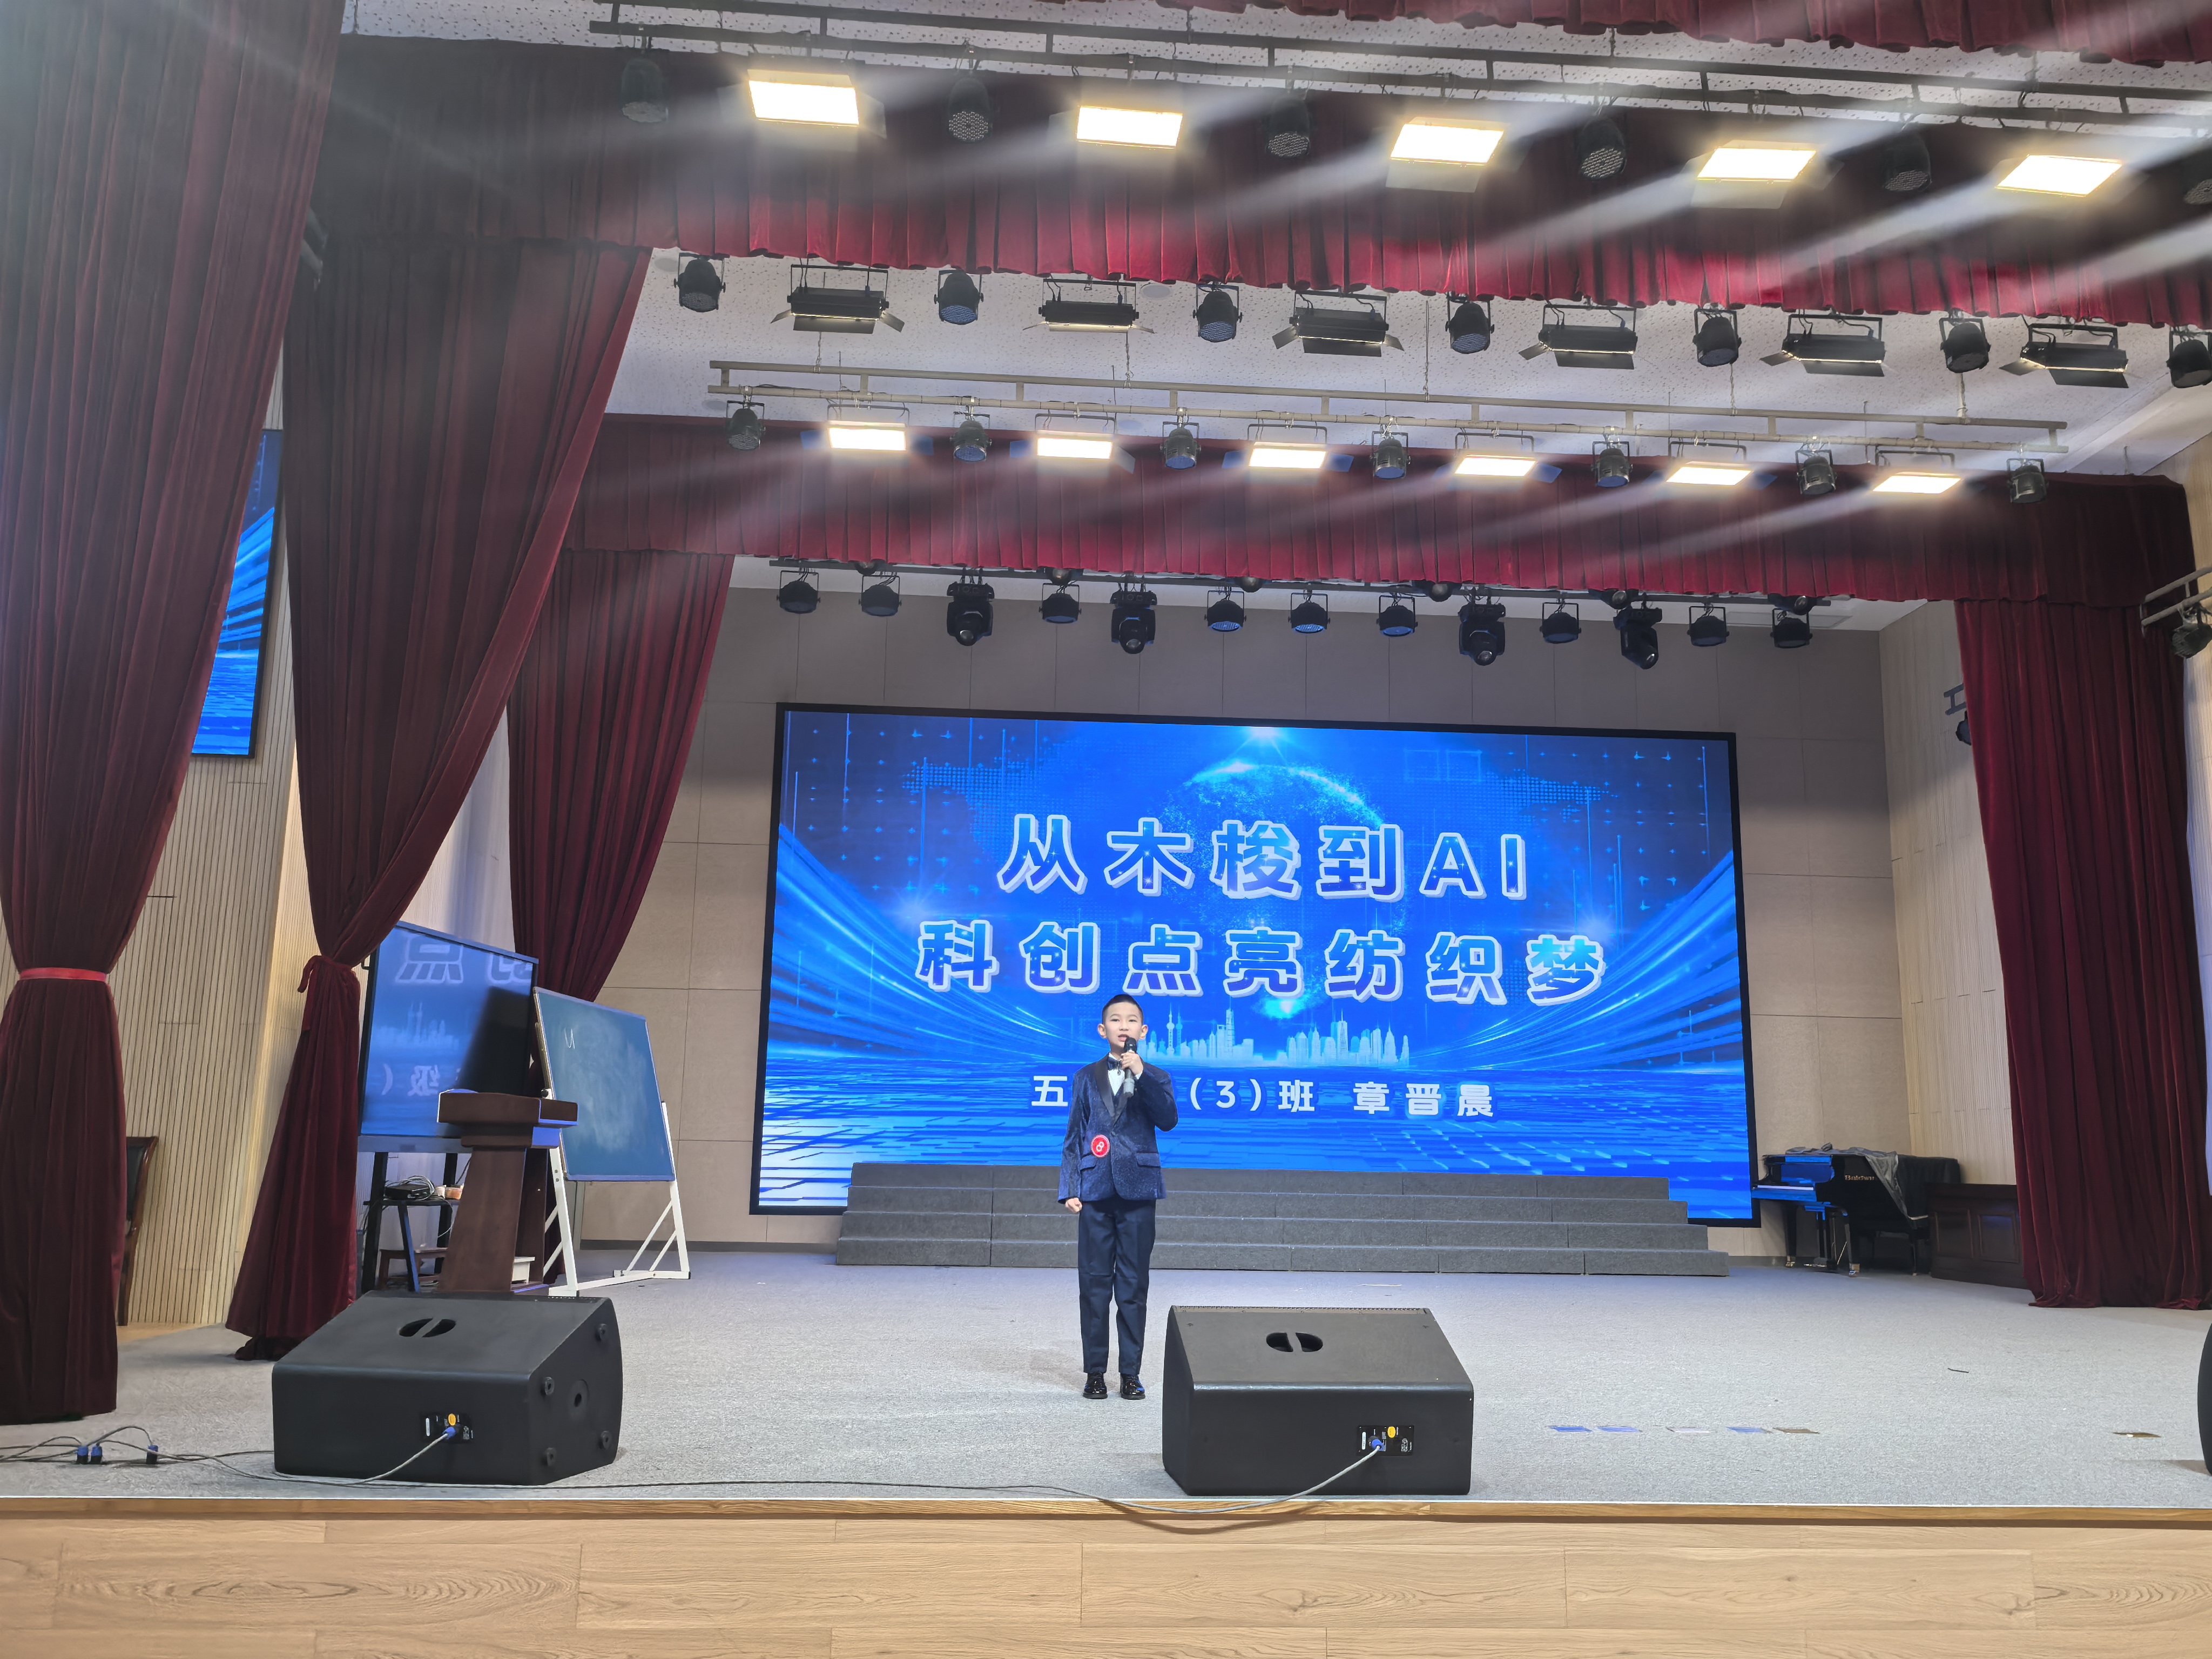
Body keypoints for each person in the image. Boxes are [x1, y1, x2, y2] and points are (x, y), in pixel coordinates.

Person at [1057, 992, 1178, 1400]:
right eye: (1115, 1019)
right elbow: (1074, 1136)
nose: (1123, 1026)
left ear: (1143, 1031)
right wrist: (1070, 1188)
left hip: (1139, 1190)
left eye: (1131, 1020)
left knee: (1132, 1285)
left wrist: (1141, 1075)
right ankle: (1095, 1372)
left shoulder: (1156, 1076)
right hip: (1094, 1190)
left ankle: (1130, 1373)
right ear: (1102, 1029)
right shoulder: (1084, 1077)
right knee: (1094, 1285)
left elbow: (1168, 1120)